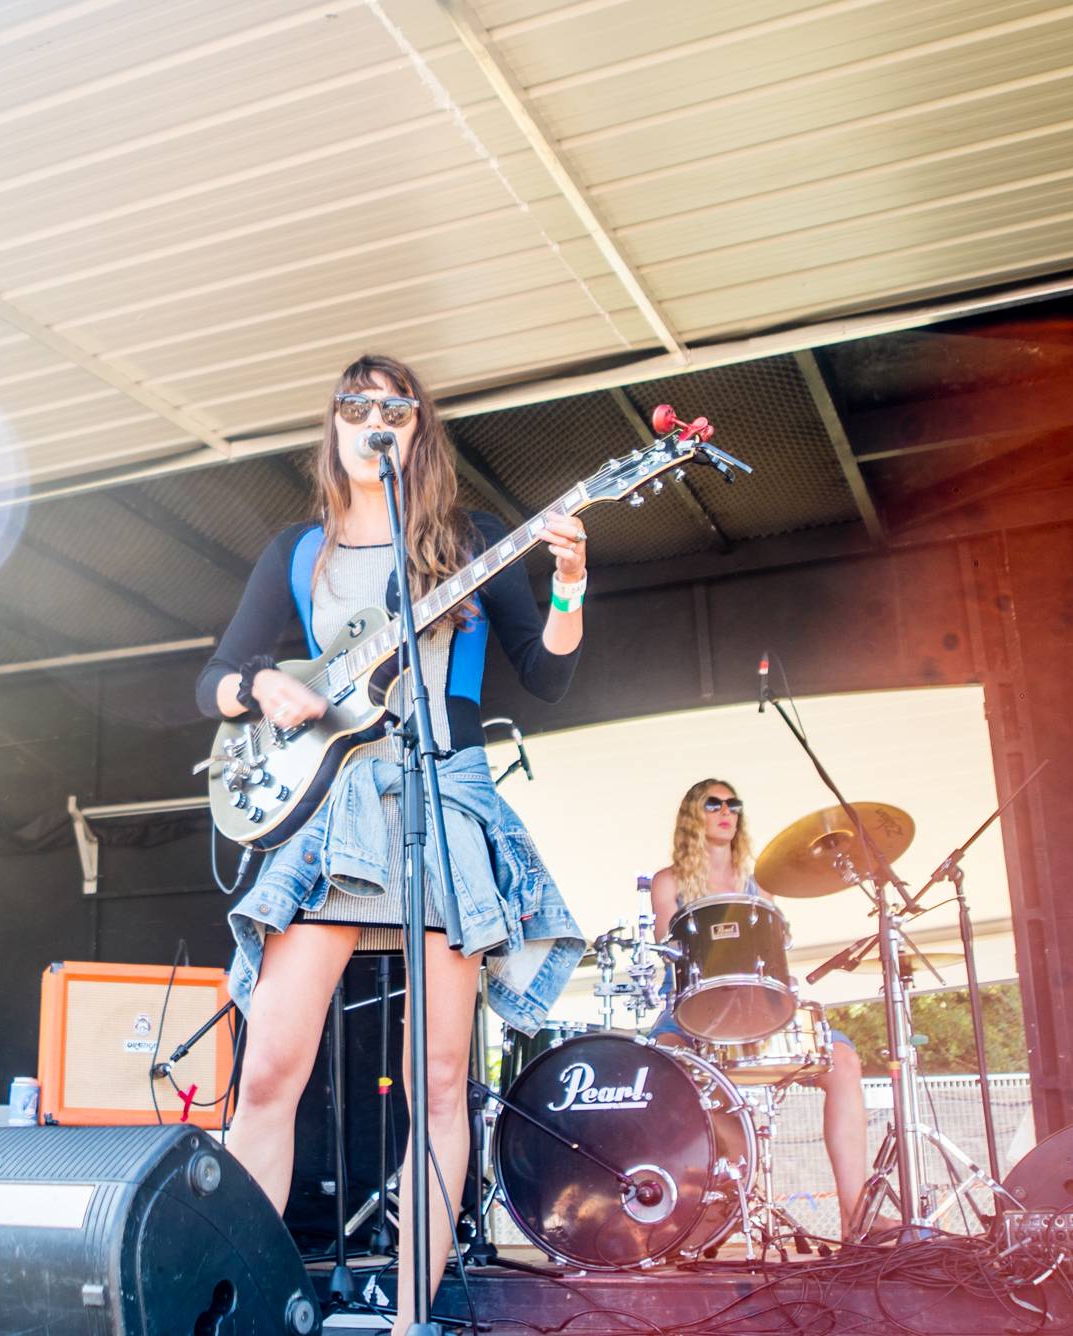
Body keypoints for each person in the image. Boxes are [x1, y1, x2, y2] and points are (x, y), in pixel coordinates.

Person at [197, 353, 588, 1329]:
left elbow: (543, 675)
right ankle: (234, 1303)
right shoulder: (298, 551)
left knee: (442, 1082)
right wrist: (258, 688)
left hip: (441, 804)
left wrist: (570, 584)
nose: (376, 417)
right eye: (356, 403)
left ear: (418, 430)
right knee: (270, 1070)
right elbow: (207, 679)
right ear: (333, 425)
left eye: (395, 406)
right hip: (332, 815)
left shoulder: (472, 541)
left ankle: (413, 1314)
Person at [647, 778, 876, 1233]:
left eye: (734, 804)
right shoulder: (668, 881)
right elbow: (666, 947)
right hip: (695, 1006)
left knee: (845, 1061)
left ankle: (856, 1217)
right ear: (694, 814)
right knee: (663, 1065)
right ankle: (685, 1218)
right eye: (713, 804)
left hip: (761, 1004)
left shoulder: (760, 883)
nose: (725, 811)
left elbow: (776, 953)